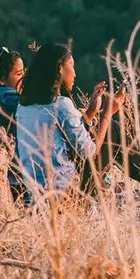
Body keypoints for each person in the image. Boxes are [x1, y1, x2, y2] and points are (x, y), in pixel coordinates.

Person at [15, 43, 117, 202]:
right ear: (60, 69)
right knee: (112, 130)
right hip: (63, 194)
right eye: (72, 66)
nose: (75, 73)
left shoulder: (23, 106)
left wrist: (90, 113)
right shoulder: (61, 105)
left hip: (34, 193)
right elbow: (89, 151)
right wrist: (108, 113)